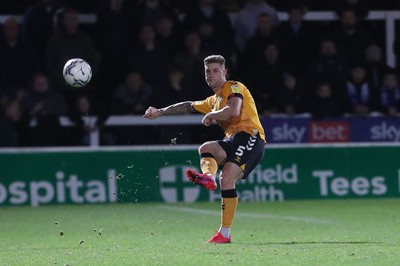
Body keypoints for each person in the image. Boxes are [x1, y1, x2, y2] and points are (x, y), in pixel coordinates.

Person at [143, 55, 266, 244]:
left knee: (227, 177)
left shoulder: (234, 87)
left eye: (216, 70)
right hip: (232, 139)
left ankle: (224, 233)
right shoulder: (212, 100)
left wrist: (211, 114)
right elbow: (186, 105)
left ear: (224, 72)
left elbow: (233, 110)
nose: (211, 74)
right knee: (206, 148)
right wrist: (160, 111)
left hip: (250, 136)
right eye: (208, 71)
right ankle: (208, 177)